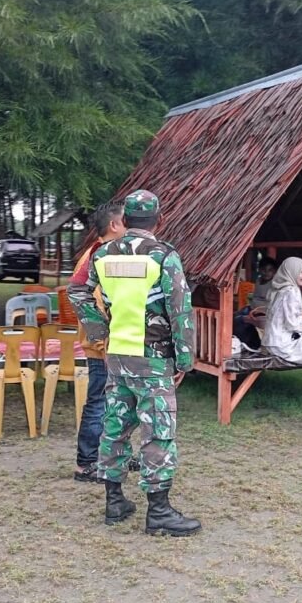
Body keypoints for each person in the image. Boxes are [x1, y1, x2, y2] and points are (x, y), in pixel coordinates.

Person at [68, 190, 201, 536]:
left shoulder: (103, 255)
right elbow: (179, 309)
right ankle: (158, 512)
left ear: (124, 221)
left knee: (115, 427)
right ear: (159, 220)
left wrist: (98, 330)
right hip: (153, 358)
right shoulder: (163, 256)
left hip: (116, 357)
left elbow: (77, 291)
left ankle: (115, 503)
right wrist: (185, 358)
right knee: (157, 431)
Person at [70, 203, 139, 484]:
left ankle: (115, 455)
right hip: (103, 348)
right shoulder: (99, 255)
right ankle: (86, 463)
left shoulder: (113, 255)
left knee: (120, 403)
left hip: (115, 345)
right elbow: (86, 298)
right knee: (99, 402)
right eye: (126, 220)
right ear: (114, 225)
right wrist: (102, 341)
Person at [233, 256, 278, 349]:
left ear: (275, 271)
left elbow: (271, 303)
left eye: (270, 270)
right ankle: (240, 342)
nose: (266, 272)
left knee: (239, 320)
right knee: (233, 317)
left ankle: (249, 344)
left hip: (262, 312)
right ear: (259, 270)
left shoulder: (274, 284)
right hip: (252, 308)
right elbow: (256, 297)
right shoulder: (258, 280)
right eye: (263, 269)